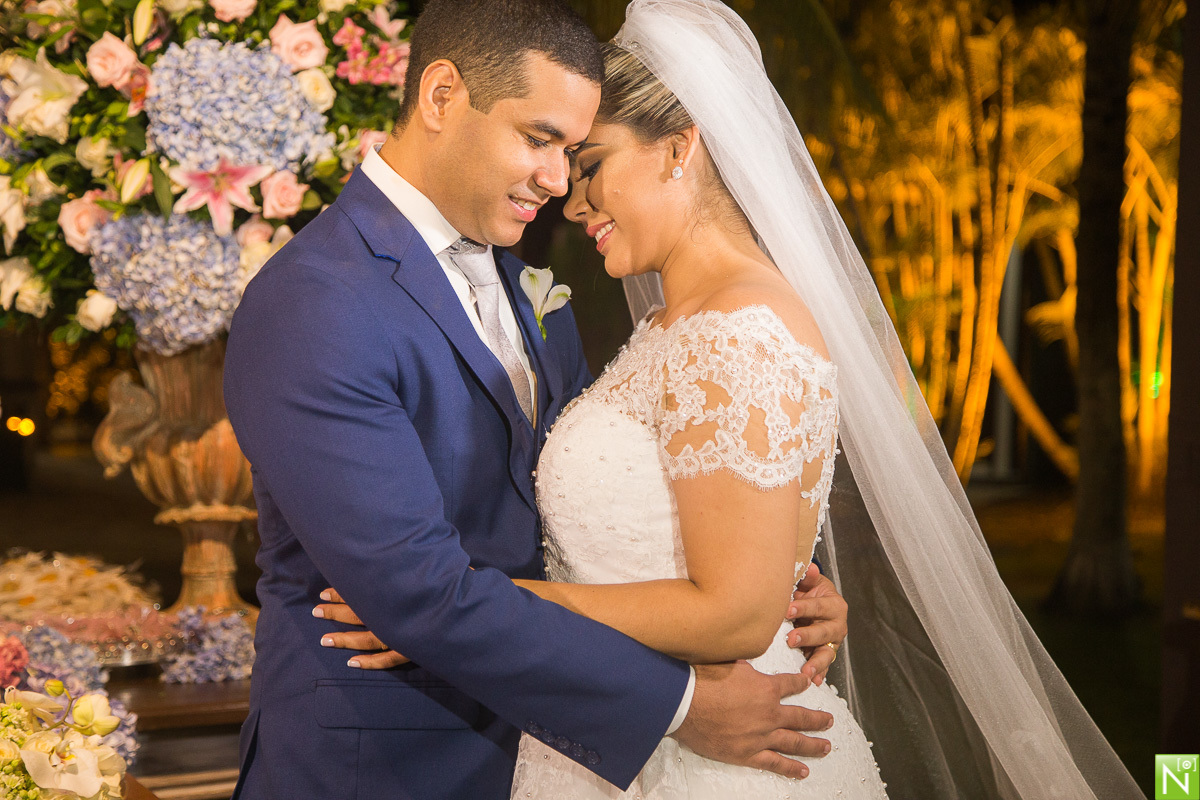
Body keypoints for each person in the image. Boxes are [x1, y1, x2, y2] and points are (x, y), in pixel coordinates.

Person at [318, 1, 1147, 798]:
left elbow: (738, 614)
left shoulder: (739, 327)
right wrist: (796, 578)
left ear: (680, 147)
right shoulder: (675, 326)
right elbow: (717, 552)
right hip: (621, 740)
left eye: (594, 164)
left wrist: (467, 603)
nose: (571, 199)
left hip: (723, 761)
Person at [222, 1, 850, 798]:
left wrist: (779, 579)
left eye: (575, 153)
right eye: (540, 140)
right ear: (442, 96)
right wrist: (680, 705)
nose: (560, 185)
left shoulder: (529, 290)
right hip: (388, 767)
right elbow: (420, 593)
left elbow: (611, 483)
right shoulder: (313, 301)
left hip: (551, 757)